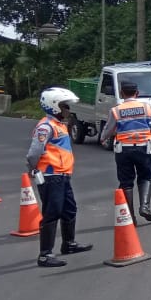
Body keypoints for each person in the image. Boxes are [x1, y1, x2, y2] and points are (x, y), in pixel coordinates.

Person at [26, 87, 93, 267]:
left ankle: (69, 244)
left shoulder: (59, 125)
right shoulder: (45, 127)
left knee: (69, 209)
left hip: (62, 176)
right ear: (54, 106)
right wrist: (32, 169)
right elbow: (33, 153)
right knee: (52, 213)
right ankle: (45, 254)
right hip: (51, 176)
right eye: (65, 106)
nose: (68, 110)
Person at [99, 80, 151, 225]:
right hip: (143, 148)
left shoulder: (116, 110)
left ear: (122, 94)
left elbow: (108, 129)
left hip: (123, 150)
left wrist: (103, 139)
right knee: (146, 177)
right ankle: (145, 206)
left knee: (126, 182)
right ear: (137, 93)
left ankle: (130, 217)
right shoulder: (146, 107)